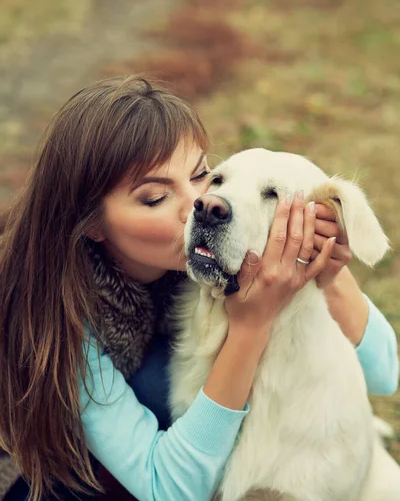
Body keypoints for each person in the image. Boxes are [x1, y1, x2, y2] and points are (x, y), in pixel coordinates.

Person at [0, 76, 398, 501]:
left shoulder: (208, 252)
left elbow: (384, 374)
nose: (199, 203)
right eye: (154, 197)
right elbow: (166, 488)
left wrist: (327, 274)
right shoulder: (60, 321)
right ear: (92, 224)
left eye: (204, 175)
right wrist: (250, 327)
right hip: (84, 473)